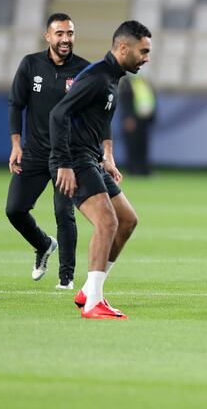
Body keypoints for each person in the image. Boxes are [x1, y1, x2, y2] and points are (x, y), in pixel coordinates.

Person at [49, 20, 152, 319]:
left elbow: (101, 119)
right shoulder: (96, 77)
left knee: (127, 220)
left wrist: (108, 155)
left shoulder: (113, 77)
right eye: (143, 51)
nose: (146, 58)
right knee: (107, 223)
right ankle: (93, 302)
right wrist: (64, 163)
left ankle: (88, 289)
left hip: (90, 158)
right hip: (73, 159)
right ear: (123, 48)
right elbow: (58, 114)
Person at [6, 13, 89, 290]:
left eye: (70, 33)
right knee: (14, 210)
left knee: (64, 212)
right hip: (34, 152)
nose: (66, 39)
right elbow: (16, 105)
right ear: (48, 37)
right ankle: (43, 245)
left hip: (67, 156)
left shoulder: (84, 71)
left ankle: (66, 278)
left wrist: (104, 152)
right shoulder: (30, 64)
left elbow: (98, 115)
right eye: (60, 34)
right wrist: (16, 145)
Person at [118, 71, 156, 176]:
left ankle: (144, 170)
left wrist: (152, 117)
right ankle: (133, 170)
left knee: (143, 146)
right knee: (133, 146)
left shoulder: (144, 82)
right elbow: (125, 101)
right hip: (132, 120)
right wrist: (127, 118)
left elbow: (150, 99)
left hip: (144, 120)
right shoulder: (127, 82)